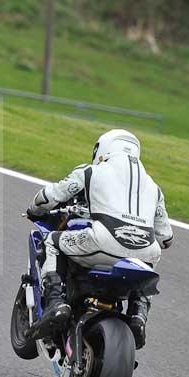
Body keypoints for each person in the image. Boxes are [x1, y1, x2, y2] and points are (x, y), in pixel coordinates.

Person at [25, 129, 173, 348]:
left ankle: (55, 302)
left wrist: (34, 209)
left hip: (103, 241)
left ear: (102, 149)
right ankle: (138, 314)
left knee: (52, 242)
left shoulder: (91, 171)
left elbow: (52, 195)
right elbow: (166, 238)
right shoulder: (154, 187)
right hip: (146, 252)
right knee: (148, 262)